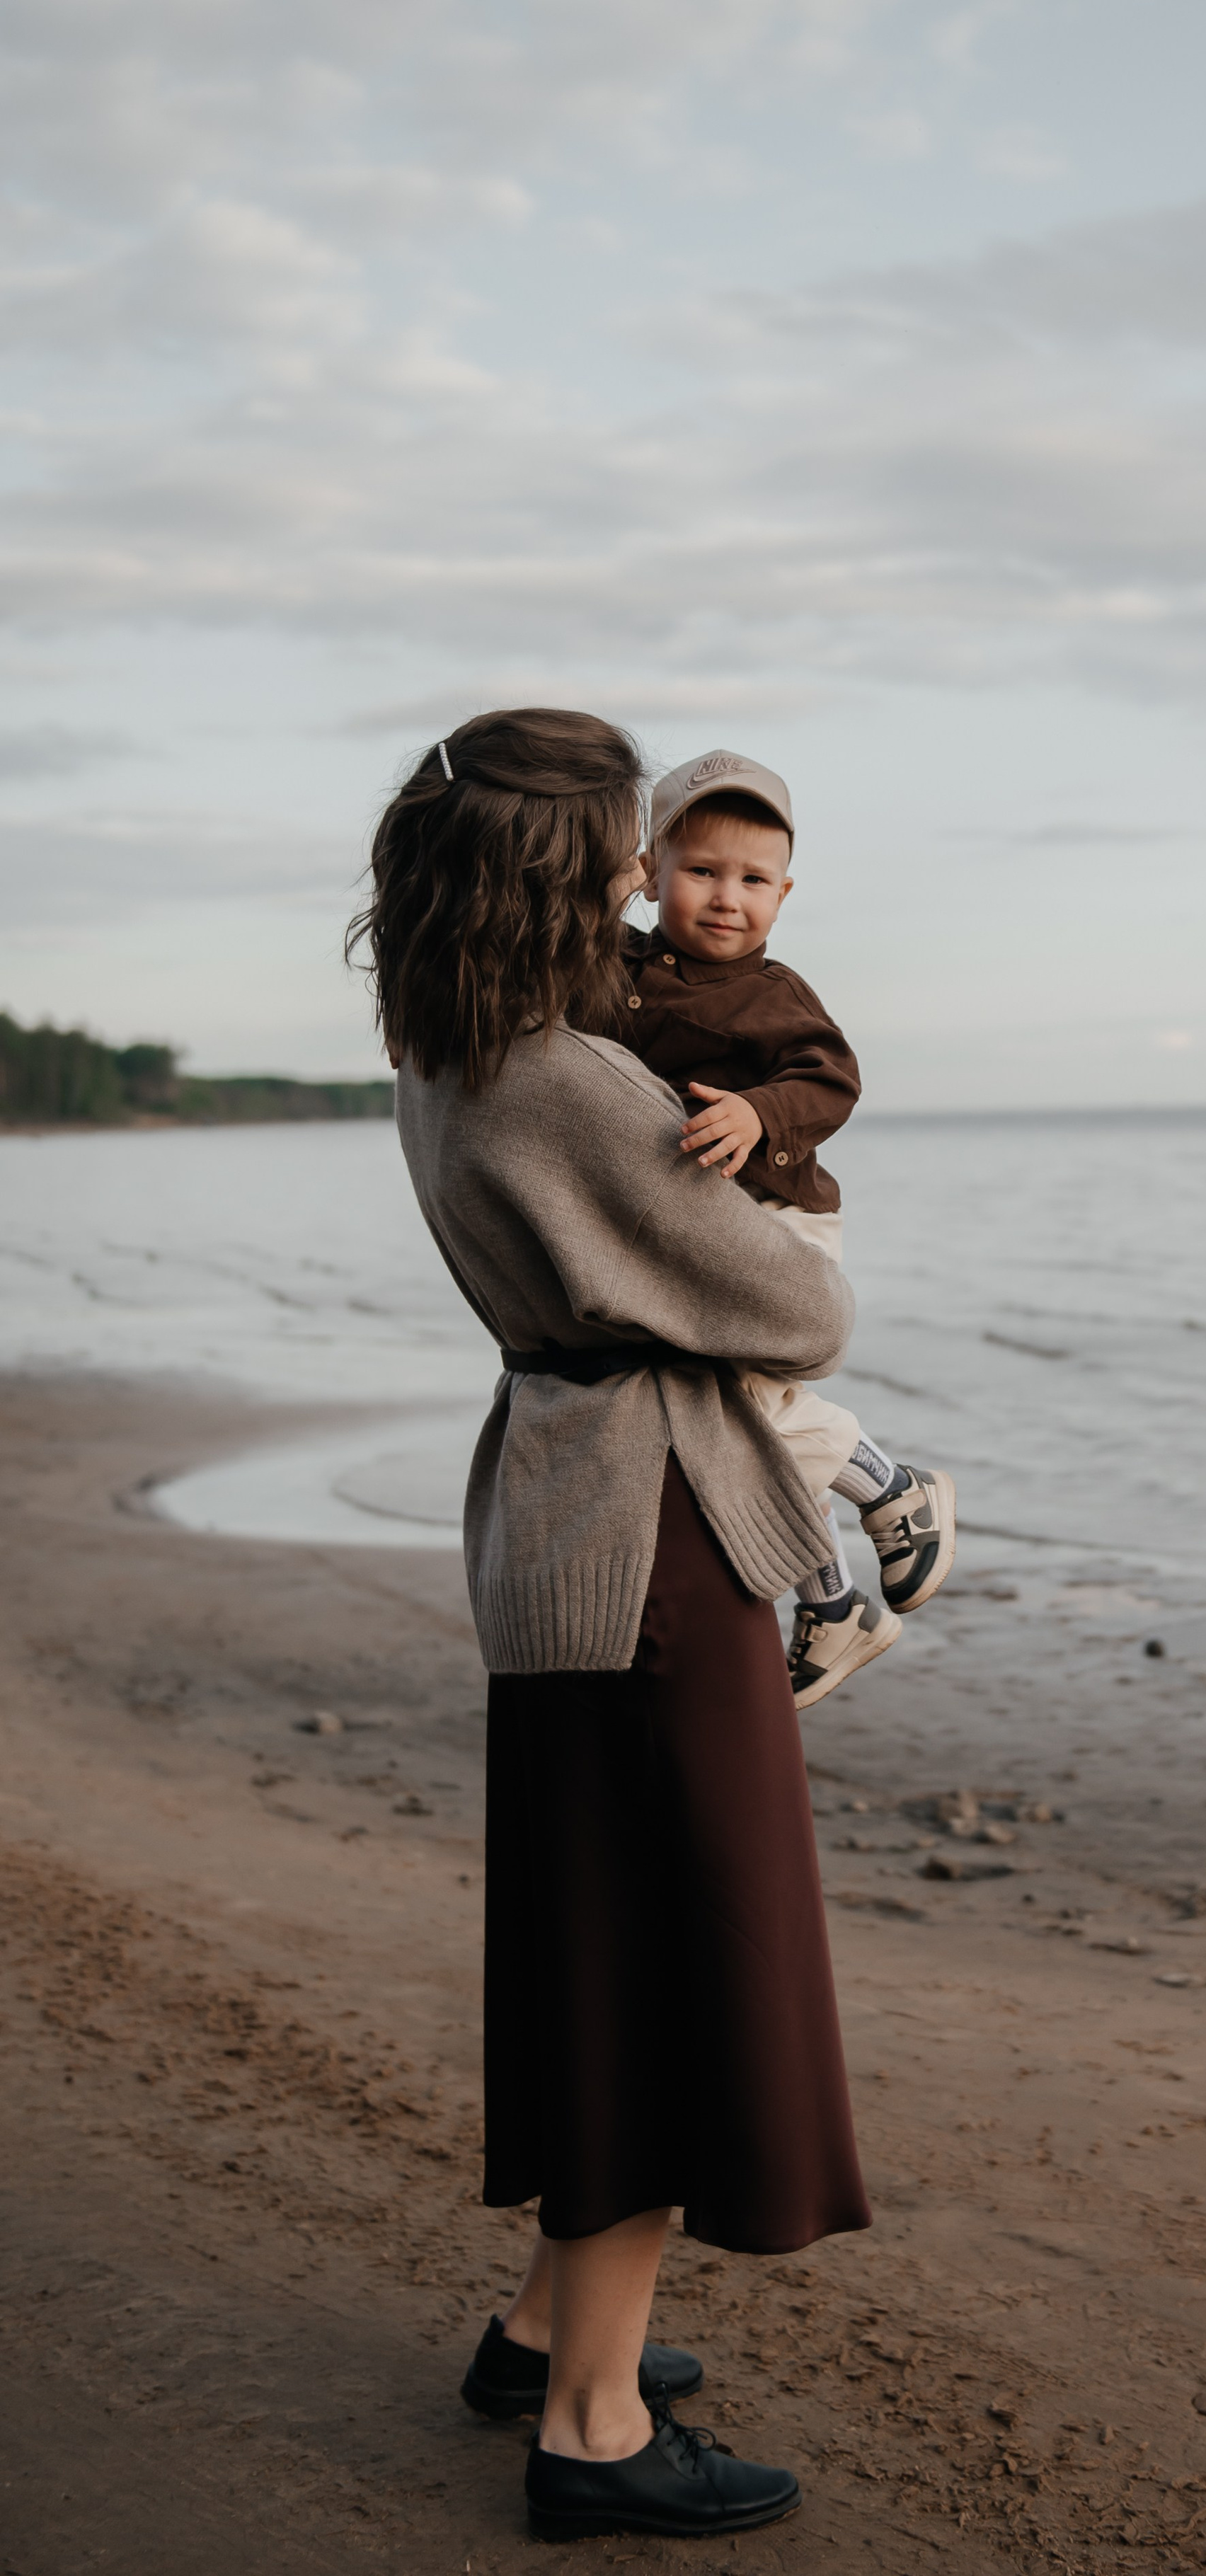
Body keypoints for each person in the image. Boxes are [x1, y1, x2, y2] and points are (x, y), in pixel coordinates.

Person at [349, 707, 871, 2543]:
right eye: (618, 853)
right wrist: (806, 1227)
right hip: (647, 1545)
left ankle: (540, 2333)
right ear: (568, 868)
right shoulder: (577, 1079)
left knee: (596, 1938)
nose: (649, 886)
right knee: (663, 1972)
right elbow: (801, 1303)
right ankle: (589, 2429)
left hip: (560, 1517)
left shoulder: (443, 1040)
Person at [620, 748, 955, 1708]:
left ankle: (892, 1488)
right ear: (648, 873)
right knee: (728, 1414)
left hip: (781, 1219)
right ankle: (836, 1599)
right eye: (702, 871)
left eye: (755, 880)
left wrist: (762, 1114)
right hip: (699, 1230)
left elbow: (831, 1080)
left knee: (748, 1410)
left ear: (785, 892)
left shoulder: (776, 996)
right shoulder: (619, 967)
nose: (729, 897)